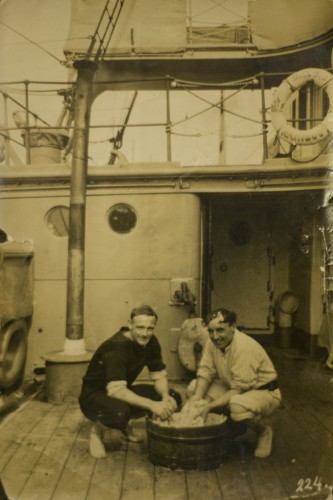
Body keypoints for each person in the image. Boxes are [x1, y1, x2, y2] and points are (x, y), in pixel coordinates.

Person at [79, 305, 181, 458]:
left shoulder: (151, 342)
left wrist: (165, 396)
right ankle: (97, 432)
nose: (145, 334)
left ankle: (125, 425)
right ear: (130, 324)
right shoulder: (117, 346)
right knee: (120, 412)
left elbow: (158, 375)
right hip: (94, 396)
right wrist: (153, 406)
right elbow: (116, 391)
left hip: (120, 390)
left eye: (149, 328)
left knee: (174, 397)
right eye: (140, 328)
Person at [186, 307, 282, 458]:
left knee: (237, 406)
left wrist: (209, 406)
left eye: (220, 330)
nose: (215, 336)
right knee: (194, 390)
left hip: (264, 391)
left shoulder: (243, 347)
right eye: (211, 331)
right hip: (233, 386)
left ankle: (264, 431)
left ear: (233, 327)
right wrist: (197, 397)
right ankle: (234, 425)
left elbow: (239, 389)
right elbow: (205, 371)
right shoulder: (212, 343)